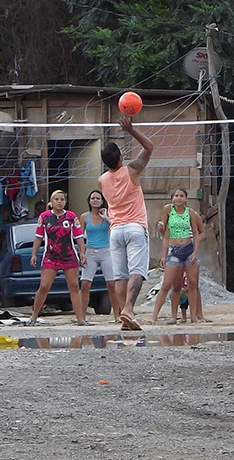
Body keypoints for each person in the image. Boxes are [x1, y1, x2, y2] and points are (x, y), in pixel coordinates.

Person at [99, 113, 154, 331]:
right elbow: (149, 147)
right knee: (138, 271)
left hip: (115, 230)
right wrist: (130, 129)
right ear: (120, 158)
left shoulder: (102, 180)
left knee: (120, 275)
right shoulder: (132, 171)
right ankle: (129, 310)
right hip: (134, 227)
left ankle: (123, 314)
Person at [28, 190, 88, 326]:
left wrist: (82, 253)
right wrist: (33, 254)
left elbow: (78, 236)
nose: (60, 202)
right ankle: (34, 316)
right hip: (51, 256)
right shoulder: (44, 217)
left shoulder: (71, 217)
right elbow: (38, 236)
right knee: (44, 286)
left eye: (62, 199)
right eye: (57, 199)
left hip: (69, 255)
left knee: (73, 286)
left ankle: (80, 319)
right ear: (52, 201)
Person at [153, 188, 206, 323]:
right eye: (176, 196)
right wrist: (163, 255)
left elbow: (196, 233)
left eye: (181, 196)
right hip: (174, 249)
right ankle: (165, 316)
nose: (179, 198)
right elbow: (164, 233)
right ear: (172, 198)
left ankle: (194, 316)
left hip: (188, 248)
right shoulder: (168, 210)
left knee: (192, 284)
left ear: (186, 198)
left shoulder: (191, 213)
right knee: (171, 285)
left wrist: (195, 251)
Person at [79, 190, 111, 323]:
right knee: (85, 284)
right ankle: (82, 316)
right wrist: (82, 253)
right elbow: (79, 236)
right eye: (93, 198)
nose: (95, 200)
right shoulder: (84, 217)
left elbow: (116, 227)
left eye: (98, 198)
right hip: (90, 252)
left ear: (102, 200)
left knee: (112, 284)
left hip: (106, 251)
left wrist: (106, 218)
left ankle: (117, 315)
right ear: (89, 201)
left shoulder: (108, 215)